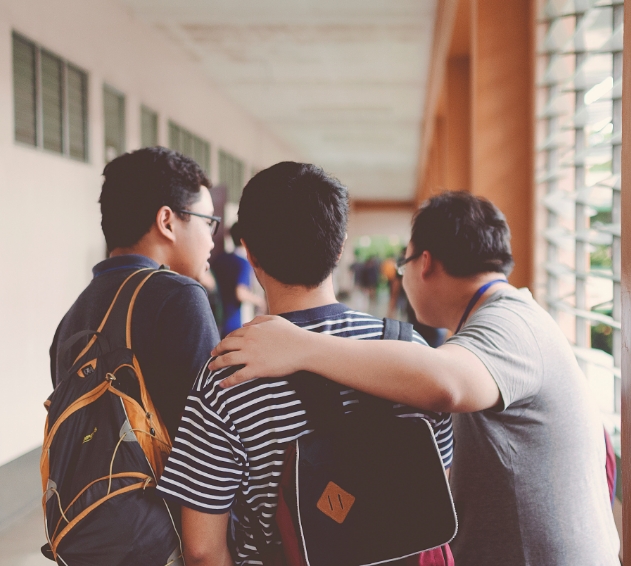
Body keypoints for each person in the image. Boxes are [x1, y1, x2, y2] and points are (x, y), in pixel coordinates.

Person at [209, 191, 620, 566]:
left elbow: (445, 384)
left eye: (403, 263)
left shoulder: (510, 324)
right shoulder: (510, 316)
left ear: (424, 263)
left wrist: (300, 346)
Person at [155, 162, 454, 566]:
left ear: (251, 252)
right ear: (340, 246)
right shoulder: (409, 353)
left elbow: (203, 549)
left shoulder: (229, 374)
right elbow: (438, 486)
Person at [50, 146, 221, 442]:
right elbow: (212, 438)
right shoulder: (180, 296)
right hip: (162, 489)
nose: (211, 240)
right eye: (207, 222)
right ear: (167, 221)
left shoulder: (74, 315)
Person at [212, 222, 266, 337]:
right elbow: (240, 293)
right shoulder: (243, 263)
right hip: (234, 321)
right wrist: (260, 301)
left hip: (215, 318)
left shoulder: (220, 259)